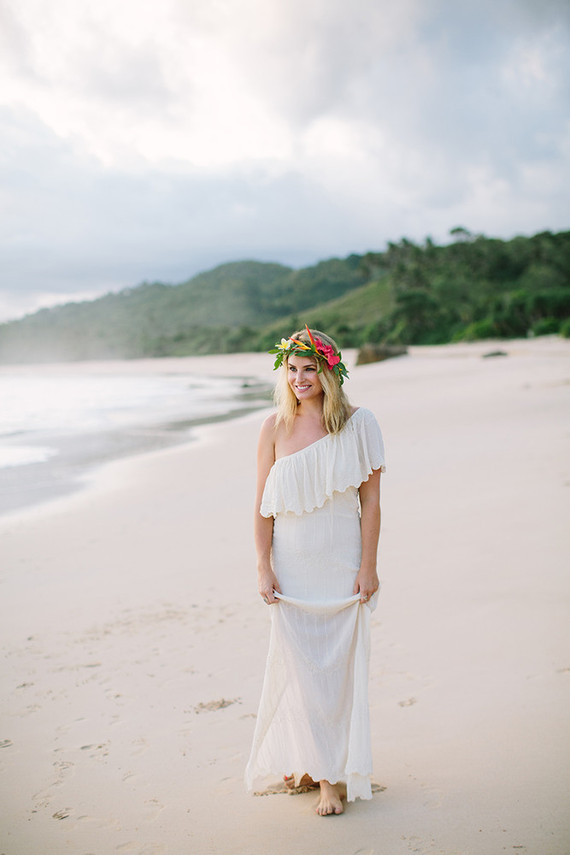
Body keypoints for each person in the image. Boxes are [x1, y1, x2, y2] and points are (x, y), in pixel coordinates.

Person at [245, 326, 385, 816]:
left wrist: (368, 566)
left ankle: (328, 769)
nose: (300, 378)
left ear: (329, 370)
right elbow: (263, 509)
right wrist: (263, 566)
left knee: (339, 673)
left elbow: (371, 503)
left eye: (310, 369)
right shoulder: (273, 428)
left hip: (341, 563)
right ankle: (322, 774)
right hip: (293, 566)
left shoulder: (358, 423)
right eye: (292, 369)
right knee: (304, 674)